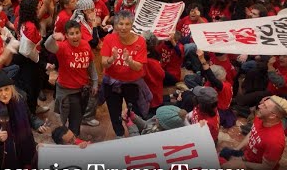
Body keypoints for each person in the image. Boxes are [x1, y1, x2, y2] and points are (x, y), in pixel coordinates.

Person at [0, 69, 49, 165]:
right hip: (1, 154)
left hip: (23, 146)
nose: (4, 94)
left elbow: (30, 117)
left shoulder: (21, 99)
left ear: (12, 88)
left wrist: (38, 124)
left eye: (6, 89)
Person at [222, 95, 287, 170]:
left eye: (265, 106)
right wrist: (236, 150)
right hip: (247, 158)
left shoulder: (275, 141)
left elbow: (266, 168)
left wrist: (242, 165)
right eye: (263, 103)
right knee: (224, 153)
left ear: (272, 115)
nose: (260, 106)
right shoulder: (261, 117)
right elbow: (252, 133)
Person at [100, 10, 150, 138]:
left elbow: (139, 67)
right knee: (114, 110)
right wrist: (112, 59)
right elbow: (104, 63)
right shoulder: (109, 39)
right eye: (120, 24)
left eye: (127, 24)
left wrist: (129, 61)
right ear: (116, 25)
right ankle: (119, 134)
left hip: (132, 83)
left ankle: (139, 134)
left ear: (132, 25)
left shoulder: (140, 41)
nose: (123, 27)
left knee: (135, 111)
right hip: (112, 83)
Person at [45, 20, 98, 138]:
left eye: (77, 32)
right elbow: (48, 46)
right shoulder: (62, 46)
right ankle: (62, 141)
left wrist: (94, 82)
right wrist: (53, 36)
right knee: (62, 120)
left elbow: (91, 65)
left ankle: (74, 138)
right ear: (66, 36)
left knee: (77, 118)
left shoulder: (86, 45)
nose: (75, 36)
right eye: (71, 33)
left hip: (81, 90)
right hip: (65, 91)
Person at [121, 105, 187, 136]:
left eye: (158, 118)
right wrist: (135, 118)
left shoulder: (155, 136)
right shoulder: (158, 121)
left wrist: (131, 126)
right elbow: (146, 125)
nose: (155, 117)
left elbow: (137, 142)